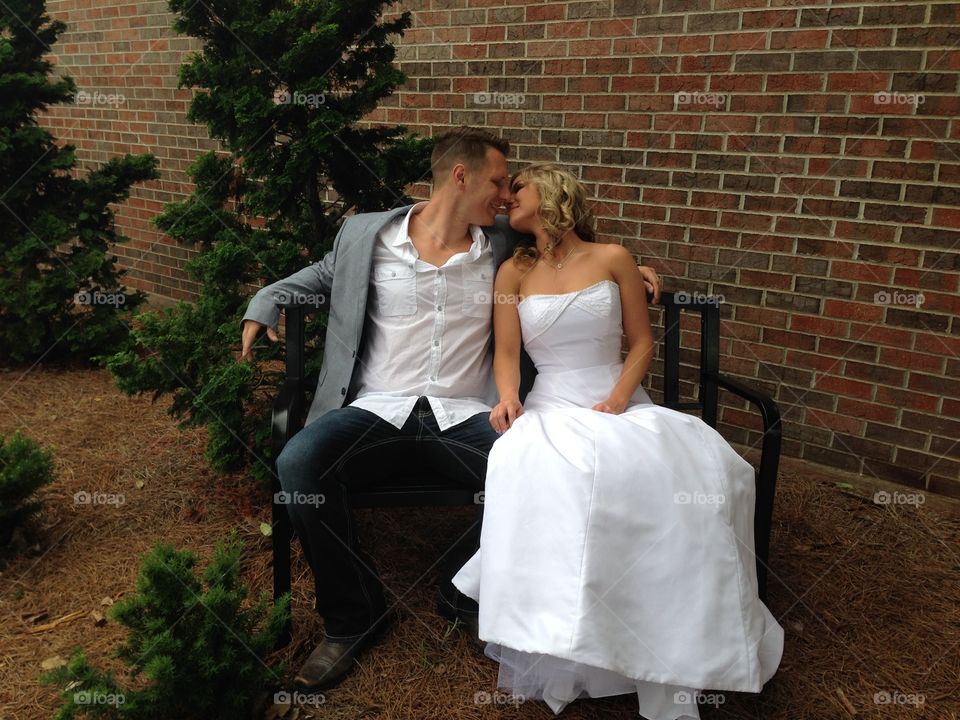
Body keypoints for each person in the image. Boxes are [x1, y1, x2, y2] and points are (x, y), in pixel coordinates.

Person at [239, 129, 662, 690]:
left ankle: (462, 589)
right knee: (299, 463)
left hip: (466, 414)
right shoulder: (368, 234)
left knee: (547, 475)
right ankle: (353, 618)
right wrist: (265, 301)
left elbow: (574, 253)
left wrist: (642, 273)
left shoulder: (506, 247)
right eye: (497, 182)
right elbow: (319, 275)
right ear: (460, 177)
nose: (506, 196)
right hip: (374, 410)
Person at [453, 163, 783, 718]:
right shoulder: (513, 271)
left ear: (554, 195)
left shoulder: (614, 259)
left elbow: (641, 343)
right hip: (551, 405)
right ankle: (577, 636)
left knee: (684, 476)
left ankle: (671, 637)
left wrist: (616, 400)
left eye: (519, 189)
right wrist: (508, 396)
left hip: (616, 399)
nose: (508, 198)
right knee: (555, 473)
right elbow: (507, 351)